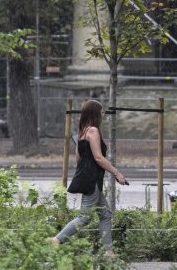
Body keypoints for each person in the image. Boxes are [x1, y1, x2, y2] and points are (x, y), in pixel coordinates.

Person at [52, 100, 128, 254]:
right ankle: (57, 240)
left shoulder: (82, 132)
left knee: (105, 214)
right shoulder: (93, 131)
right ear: (95, 112)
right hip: (92, 180)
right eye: (101, 111)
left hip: (91, 179)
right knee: (84, 218)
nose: (103, 113)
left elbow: (78, 158)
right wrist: (117, 173)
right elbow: (99, 158)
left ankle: (108, 252)